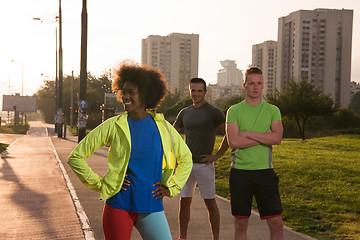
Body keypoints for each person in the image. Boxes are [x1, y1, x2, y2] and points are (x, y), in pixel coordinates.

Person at [67, 61, 193, 240]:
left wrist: (172, 187)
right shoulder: (114, 125)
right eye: (123, 92)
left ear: (146, 95)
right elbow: (76, 157)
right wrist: (100, 184)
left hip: (152, 207)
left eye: (131, 92)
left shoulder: (163, 127)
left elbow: (186, 159)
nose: (125, 96)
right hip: (119, 206)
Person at [226, 67, 284, 240]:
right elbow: (234, 142)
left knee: (277, 224)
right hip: (240, 173)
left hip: (265, 172)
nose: (255, 87)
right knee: (241, 223)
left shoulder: (273, 110)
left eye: (259, 83)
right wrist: (264, 136)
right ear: (245, 85)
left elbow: (277, 138)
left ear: (263, 85)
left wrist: (248, 133)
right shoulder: (234, 111)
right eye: (251, 83)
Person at [173, 78, 229, 240]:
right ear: (189, 91)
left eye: (199, 91)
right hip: (186, 165)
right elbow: (172, 135)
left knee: (210, 203)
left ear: (205, 92)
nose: (196, 94)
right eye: (193, 90)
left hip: (205, 165)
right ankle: (182, 238)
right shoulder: (184, 112)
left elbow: (229, 134)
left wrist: (217, 155)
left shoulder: (214, 112)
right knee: (184, 202)